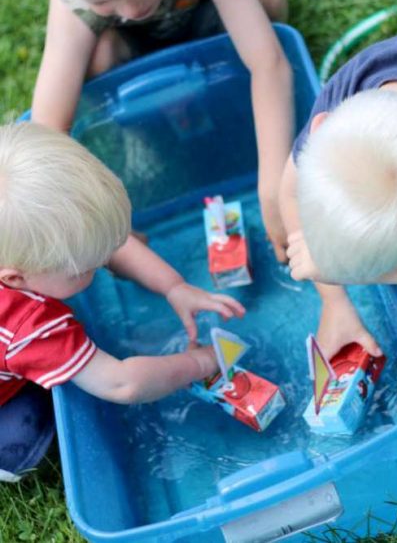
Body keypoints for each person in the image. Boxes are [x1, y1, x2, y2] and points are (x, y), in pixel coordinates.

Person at [26, 0, 293, 262]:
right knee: (93, 58)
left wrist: (273, 184)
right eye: (103, 1)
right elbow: (48, 132)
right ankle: (142, 122)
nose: (131, 9)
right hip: (133, 52)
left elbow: (269, 63)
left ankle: (228, 83)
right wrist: (101, 221)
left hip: (199, 21)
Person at [0, 122, 245, 481]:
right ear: (15, 279)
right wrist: (199, 362)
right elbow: (120, 383)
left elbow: (109, 245)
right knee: (25, 433)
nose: (103, 264)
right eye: (86, 268)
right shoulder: (29, 326)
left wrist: (174, 287)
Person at [280, 22, 397, 359]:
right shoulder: (343, 98)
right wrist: (333, 301)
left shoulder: (337, 125)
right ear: (320, 127)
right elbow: (289, 191)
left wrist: (360, 273)